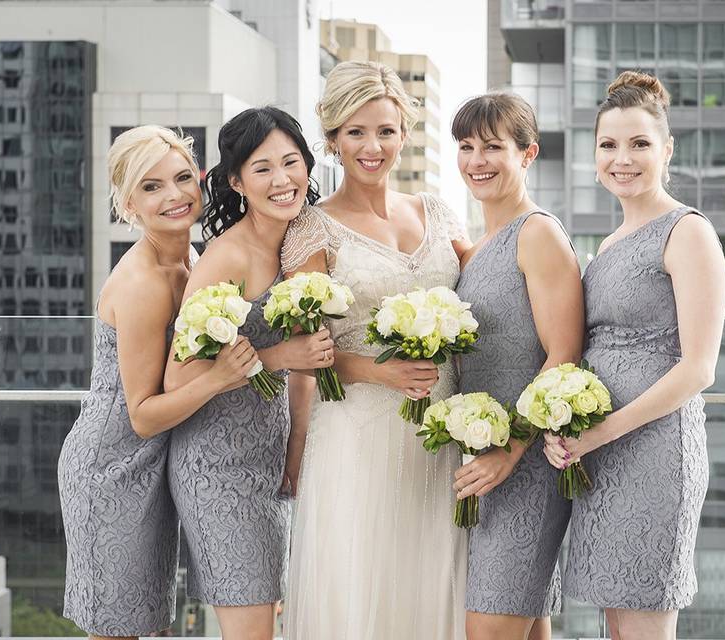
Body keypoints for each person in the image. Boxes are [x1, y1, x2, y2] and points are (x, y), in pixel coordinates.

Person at [280, 61, 470, 640]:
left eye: (386, 131)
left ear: (404, 136)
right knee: (363, 579)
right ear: (332, 138)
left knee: (437, 576)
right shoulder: (314, 228)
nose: (373, 146)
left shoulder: (436, 211)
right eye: (356, 132)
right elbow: (299, 349)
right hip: (356, 433)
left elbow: (490, 289)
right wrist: (375, 371)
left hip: (442, 432)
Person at [543, 71, 725, 640]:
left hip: (653, 453)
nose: (622, 158)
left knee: (645, 623)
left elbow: (699, 367)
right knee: (617, 624)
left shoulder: (688, 231)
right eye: (609, 145)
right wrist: (567, 424)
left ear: (667, 150)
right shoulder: (613, 241)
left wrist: (599, 433)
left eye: (640, 144)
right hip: (601, 454)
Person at [58, 125, 259, 639]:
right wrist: (217, 378)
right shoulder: (144, 281)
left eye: (181, 178)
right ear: (128, 205)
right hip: (112, 465)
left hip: (154, 464)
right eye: (151, 187)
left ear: (201, 179)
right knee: (116, 627)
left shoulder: (191, 260)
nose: (174, 196)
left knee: (150, 622)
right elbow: (143, 414)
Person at [163, 107, 332, 640]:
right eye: (262, 169)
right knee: (251, 626)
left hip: (269, 452)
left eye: (291, 162)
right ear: (236, 181)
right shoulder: (226, 257)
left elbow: (305, 365)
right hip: (218, 463)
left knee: (268, 618)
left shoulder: (297, 243)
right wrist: (278, 359)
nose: (282, 180)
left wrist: (296, 447)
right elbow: (177, 378)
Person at [452, 93, 583, 640]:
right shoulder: (477, 248)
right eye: (465, 146)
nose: (476, 160)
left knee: (490, 627)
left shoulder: (539, 233)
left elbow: (563, 355)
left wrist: (510, 449)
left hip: (523, 463)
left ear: (528, 154)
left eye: (492, 146)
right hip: (483, 463)